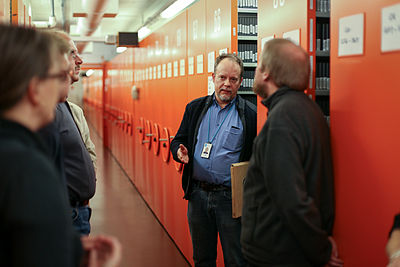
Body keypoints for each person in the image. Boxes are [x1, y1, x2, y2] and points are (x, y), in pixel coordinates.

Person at [0, 23, 120, 267]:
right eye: (58, 78)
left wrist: (68, 245)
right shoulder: (26, 167)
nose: (62, 86)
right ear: (34, 88)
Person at [240, 38, 344, 267]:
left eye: (258, 66)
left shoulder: (282, 119)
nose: (256, 71)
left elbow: (291, 198)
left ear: (266, 73)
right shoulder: (308, 110)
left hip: (275, 253)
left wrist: (321, 249)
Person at [171, 53, 257, 267]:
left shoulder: (251, 115)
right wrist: (178, 152)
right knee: (202, 259)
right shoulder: (195, 108)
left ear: (241, 82)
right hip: (198, 196)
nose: (227, 84)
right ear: (213, 77)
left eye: (233, 79)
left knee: (236, 260)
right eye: (222, 77)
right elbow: (178, 139)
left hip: (231, 200)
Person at [39, 31, 97, 235]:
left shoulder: (70, 109)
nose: (79, 60)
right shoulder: (43, 112)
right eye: (73, 54)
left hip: (78, 211)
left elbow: (88, 152)